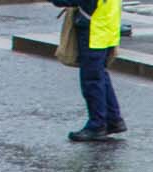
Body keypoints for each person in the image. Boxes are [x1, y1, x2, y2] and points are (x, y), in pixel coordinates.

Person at [53, 0, 126, 143]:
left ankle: (97, 125)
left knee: (91, 79)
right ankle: (113, 119)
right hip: (107, 24)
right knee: (99, 74)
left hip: (93, 28)